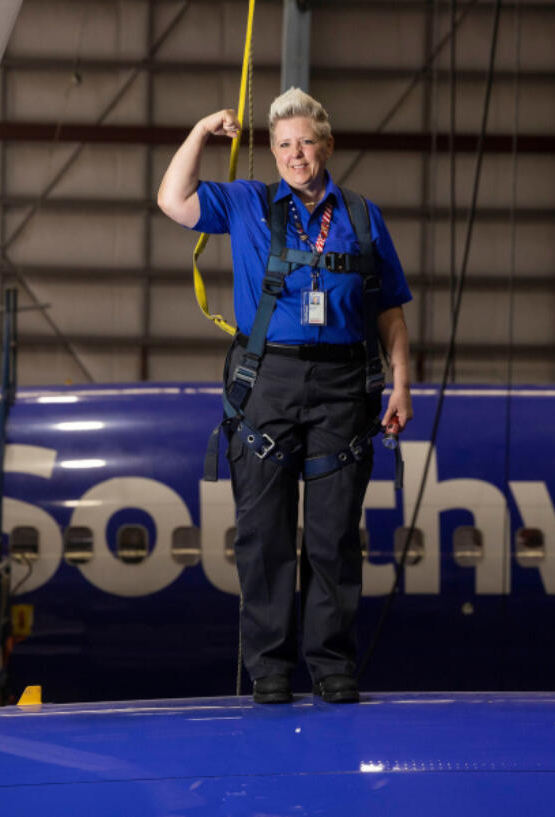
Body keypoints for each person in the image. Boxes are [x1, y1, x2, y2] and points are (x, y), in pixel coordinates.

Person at [157, 88, 413, 704]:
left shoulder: (360, 215)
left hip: (344, 388)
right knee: (264, 535)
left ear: (326, 145)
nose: (295, 154)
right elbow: (172, 199)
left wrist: (401, 381)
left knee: (333, 536)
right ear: (269, 152)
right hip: (267, 383)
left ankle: (331, 666)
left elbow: (390, 312)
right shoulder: (245, 203)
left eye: (305, 142)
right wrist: (199, 129)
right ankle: (270, 668)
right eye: (282, 145)